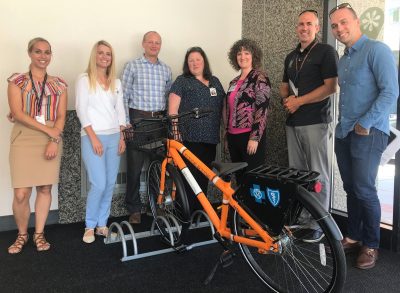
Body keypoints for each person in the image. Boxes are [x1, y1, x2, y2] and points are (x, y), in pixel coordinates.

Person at [330, 3, 399, 269]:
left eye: (344, 22)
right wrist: (344, 126)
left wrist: (366, 122)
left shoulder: (376, 50)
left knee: (364, 189)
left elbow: (391, 92)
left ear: (357, 22)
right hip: (345, 132)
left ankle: (371, 244)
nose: (339, 29)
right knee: (351, 188)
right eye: (335, 25)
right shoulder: (344, 58)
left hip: (369, 133)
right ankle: (354, 235)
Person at [279, 9, 338, 243]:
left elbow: (331, 87)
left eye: (309, 24)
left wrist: (299, 101)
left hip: (316, 121)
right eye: (301, 24)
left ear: (317, 27)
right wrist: (287, 99)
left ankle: (320, 224)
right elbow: (284, 84)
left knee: (318, 173)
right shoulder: (292, 56)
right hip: (293, 122)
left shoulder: (326, 51)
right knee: (298, 173)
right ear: (297, 27)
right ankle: (304, 219)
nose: (304, 28)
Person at [7, 37, 68, 253]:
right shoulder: (17, 81)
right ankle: (22, 235)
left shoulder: (59, 84)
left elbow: (61, 116)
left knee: (44, 187)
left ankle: (39, 234)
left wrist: (53, 138)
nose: (43, 56)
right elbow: (17, 113)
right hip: (25, 137)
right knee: (21, 193)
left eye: (47, 52)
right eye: (38, 52)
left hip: (51, 138)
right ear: (30, 53)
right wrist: (49, 131)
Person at [75, 40, 126, 243]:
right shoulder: (84, 79)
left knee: (110, 183)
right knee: (99, 183)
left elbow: (120, 111)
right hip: (91, 136)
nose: (105, 57)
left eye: (108, 54)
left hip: (114, 136)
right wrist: (93, 138)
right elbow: (81, 109)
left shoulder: (116, 82)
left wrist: (122, 137)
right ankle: (89, 225)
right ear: (94, 55)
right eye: (101, 53)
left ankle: (102, 225)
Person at [121, 31, 172, 224]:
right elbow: (123, 97)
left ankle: (155, 206)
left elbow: (168, 99)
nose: (153, 45)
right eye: (150, 42)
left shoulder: (166, 70)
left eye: (157, 42)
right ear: (143, 44)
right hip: (138, 121)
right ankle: (133, 208)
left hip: (158, 122)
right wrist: (127, 123)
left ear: (160, 45)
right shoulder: (132, 66)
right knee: (134, 167)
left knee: (157, 167)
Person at [169, 46, 225, 210]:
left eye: (198, 59)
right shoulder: (182, 81)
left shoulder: (215, 81)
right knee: (188, 176)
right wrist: (175, 131)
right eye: (191, 60)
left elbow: (223, 107)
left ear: (204, 61)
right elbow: (173, 110)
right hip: (188, 138)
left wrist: (225, 131)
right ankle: (185, 211)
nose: (195, 63)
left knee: (203, 175)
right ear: (187, 64)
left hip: (211, 138)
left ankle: (200, 209)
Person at [224, 38, 271, 180]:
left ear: (253, 56)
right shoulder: (233, 82)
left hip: (249, 136)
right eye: (239, 53)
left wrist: (255, 138)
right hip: (233, 137)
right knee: (239, 179)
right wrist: (227, 135)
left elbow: (262, 109)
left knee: (252, 180)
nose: (242, 56)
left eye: (246, 53)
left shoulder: (260, 78)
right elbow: (229, 109)